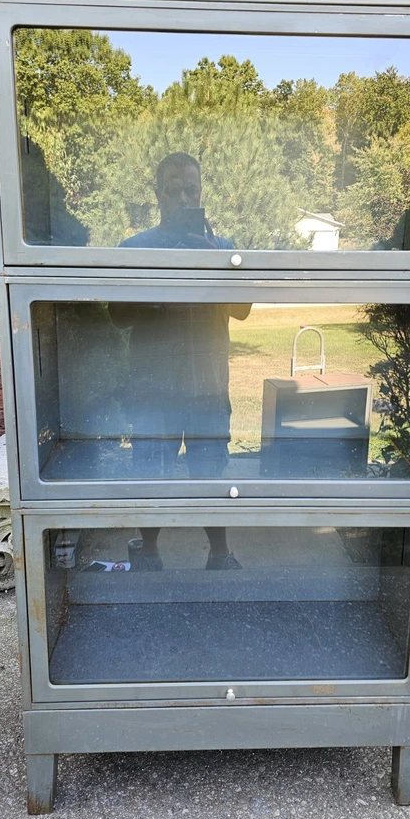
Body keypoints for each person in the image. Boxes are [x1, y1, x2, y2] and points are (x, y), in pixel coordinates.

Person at [109, 152, 250, 571]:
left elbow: (242, 309)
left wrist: (212, 261)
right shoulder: (134, 249)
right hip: (153, 388)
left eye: (192, 190)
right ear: (158, 195)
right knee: (151, 471)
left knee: (211, 471)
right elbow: (118, 315)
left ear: (201, 193)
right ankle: (149, 552)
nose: (184, 198)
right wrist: (161, 281)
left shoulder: (222, 248)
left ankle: (220, 554)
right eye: (174, 190)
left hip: (208, 386)